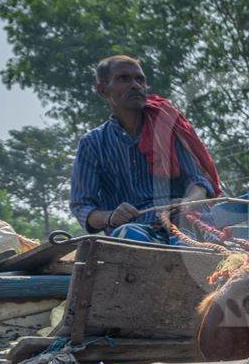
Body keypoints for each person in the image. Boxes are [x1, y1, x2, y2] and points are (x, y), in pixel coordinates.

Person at [69, 55, 223, 244]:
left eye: (139, 79)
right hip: (136, 231)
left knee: (188, 243)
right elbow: (82, 206)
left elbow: (198, 183)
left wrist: (188, 202)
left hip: (185, 224)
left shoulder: (167, 128)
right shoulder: (92, 143)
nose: (135, 85)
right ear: (102, 90)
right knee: (129, 234)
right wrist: (110, 217)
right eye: (123, 79)